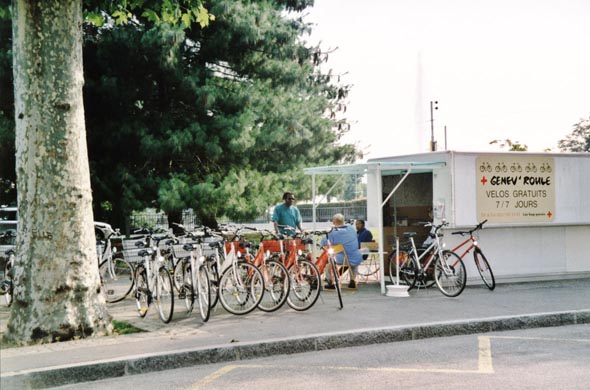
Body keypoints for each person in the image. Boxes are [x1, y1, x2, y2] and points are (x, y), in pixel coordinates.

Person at [322, 213, 363, 289]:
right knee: (353, 263)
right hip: (355, 257)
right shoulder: (351, 229)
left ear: (334, 222)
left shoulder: (333, 232)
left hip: (341, 259)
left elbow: (323, 242)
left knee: (328, 264)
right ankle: (352, 280)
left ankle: (330, 282)